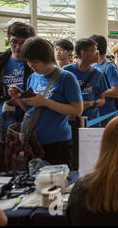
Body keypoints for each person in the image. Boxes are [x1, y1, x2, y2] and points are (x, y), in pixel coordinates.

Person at [8, 37, 83, 167]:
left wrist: (45, 102)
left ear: (47, 58)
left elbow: (77, 110)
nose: (32, 66)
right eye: (28, 62)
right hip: (33, 141)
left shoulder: (66, 78)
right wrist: (19, 97)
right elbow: (30, 109)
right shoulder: (33, 77)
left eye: (35, 62)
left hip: (57, 143)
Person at [0, 22, 35, 172]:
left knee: (23, 169)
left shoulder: (34, 65)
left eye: (23, 43)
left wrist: (21, 97)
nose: (18, 47)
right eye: (14, 42)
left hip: (25, 124)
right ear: (8, 39)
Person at [63, 38, 108, 124]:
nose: (97, 54)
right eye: (94, 51)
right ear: (83, 53)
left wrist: (89, 104)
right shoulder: (66, 71)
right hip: (70, 119)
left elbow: (102, 100)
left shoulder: (98, 74)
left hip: (92, 120)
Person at [90, 35, 118, 126]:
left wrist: (95, 91)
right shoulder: (93, 66)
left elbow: (116, 92)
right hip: (95, 113)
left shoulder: (109, 67)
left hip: (107, 114)